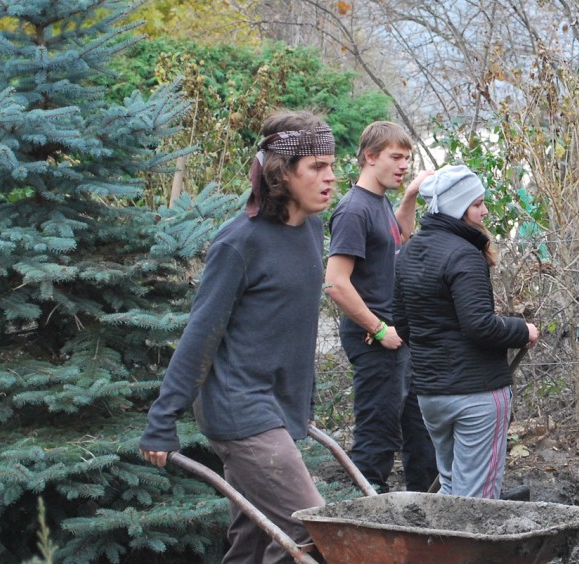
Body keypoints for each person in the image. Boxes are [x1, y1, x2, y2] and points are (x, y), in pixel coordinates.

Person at [140, 110, 337, 563]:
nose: (330, 178)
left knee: (251, 542)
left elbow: (288, 330)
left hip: (273, 406)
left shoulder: (310, 228)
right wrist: (162, 418)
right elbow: (201, 333)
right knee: (310, 530)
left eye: (331, 165)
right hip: (240, 409)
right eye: (317, 167)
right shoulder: (239, 242)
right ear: (281, 174)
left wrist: (300, 406)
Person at [392, 165, 539, 499]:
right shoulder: (464, 255)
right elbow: (479, 325)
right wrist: (522, 329)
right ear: (458, 208)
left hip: (431, 396)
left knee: (452, 487)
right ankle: (472, 552)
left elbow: (402, 324)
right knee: (477, 500)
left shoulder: (409, 251)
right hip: (476, 396)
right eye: (477, 204)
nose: (485, 210)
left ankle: (440, 550)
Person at [324, 121, 437, 493]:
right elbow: (336, 283)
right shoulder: (353, 210)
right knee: (378, 433)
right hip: (375, 339)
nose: (404, 165)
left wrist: (409, 198)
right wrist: (379, 328)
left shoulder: (380, 202)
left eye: (407, 158)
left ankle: (427, 507)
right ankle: (367, 515)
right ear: (370, 157)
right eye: (396, 157)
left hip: (396, 337)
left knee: (419, 428)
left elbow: (398, 236)